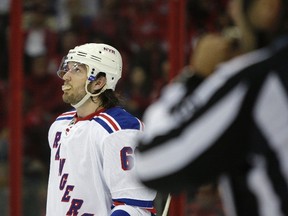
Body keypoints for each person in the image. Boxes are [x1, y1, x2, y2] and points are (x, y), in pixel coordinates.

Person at [135, 0, 288, 215]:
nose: (232, 10)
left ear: (268, 7)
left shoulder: (258, 81)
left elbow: (151, 162)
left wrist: (194, 79)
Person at [46, 43, 157, 215]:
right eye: (67, 68)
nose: (66, 76)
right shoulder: (59, 125)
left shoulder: (121, 130)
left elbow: (135, 207)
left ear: (98, 82)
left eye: (77, 70)